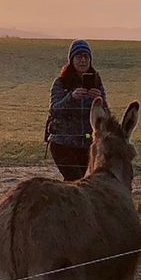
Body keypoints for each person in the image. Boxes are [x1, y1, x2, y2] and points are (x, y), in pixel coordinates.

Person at [46, 39, 106, 180]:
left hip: (87, 144)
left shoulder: (97, 82)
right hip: (62, 143)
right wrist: (71, 97)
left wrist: (100, 101)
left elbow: (106, 116)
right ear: (71, 60)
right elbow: (54, 110)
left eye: (86, 57)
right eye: (79, 57)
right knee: (75, 181)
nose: (83, 61)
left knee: (78, 182)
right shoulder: (61, 82)